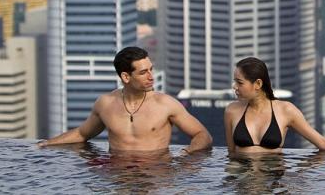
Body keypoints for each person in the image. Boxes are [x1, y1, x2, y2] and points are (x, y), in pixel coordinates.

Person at [39, 47, 213, 153]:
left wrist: (187, 153)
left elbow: (202, 135)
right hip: (118, 174)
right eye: (143, 72)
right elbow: (82, 134)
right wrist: (46, 144)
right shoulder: (105, 103)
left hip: (155, 173)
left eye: (151, 69)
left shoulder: (166, 104)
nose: (151, 77)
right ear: (126, 77)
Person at [224, 57, 325, 154]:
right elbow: (231, 154)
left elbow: (322, 143)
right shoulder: (232, 111)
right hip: (242, 182)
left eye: (239, 82)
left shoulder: (286, 110)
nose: (234, 87)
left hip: (274, 182)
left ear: (258, 84)